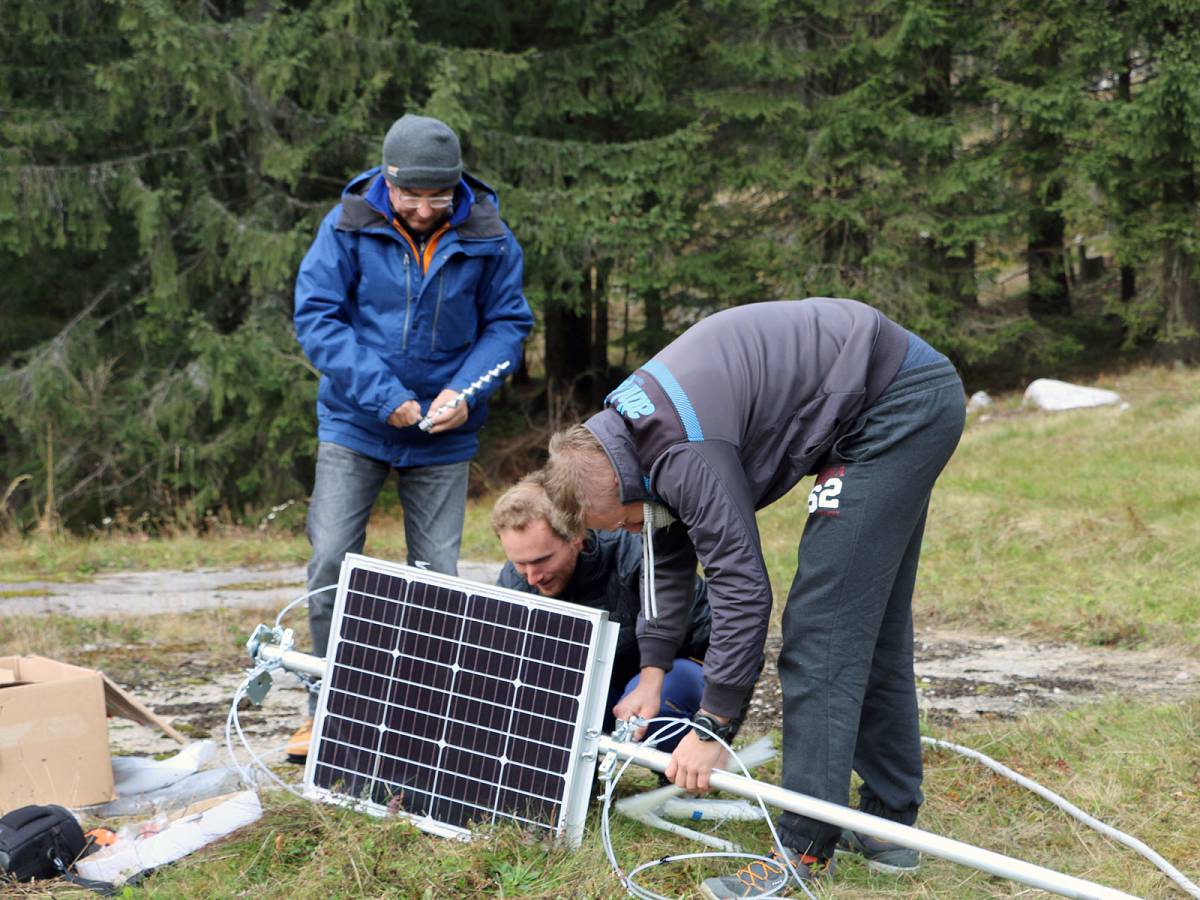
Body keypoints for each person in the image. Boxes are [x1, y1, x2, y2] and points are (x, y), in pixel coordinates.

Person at [542, 298, 965, 898]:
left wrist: (712, 725)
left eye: (625, 520)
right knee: (869, 629)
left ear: (626, 481)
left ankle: (802, 851)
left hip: (896, 405)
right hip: (891, 394)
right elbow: (666, 544)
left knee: (822, 629)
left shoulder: (683, 453)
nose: (631, 530)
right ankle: (884, 828)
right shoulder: (627, 435)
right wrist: (655, 672)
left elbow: (741, 589)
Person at [288, 113, 533, 758]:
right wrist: (385, 396)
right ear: (387, 182)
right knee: (333, 559)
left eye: (438, 195)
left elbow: (507, 326)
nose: (424, 209)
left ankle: (422, 718)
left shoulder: (491, 235)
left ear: (456, 187)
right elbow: (317, 319)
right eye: (410, 195)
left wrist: (465, 391)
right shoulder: (346, 225)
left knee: (436, 577)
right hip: (355, 421)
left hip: (446, 432)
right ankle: (326, 710)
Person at [492, 473, 712, 753]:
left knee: (668, 690)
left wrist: (715, 729)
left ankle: (677, 779)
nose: (532, 577)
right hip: (594, 693)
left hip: (667, 677)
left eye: (542, 560)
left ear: (575, 536)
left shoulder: (636, 556)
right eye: (520, 564)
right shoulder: (516, 583)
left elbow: (721, 645)